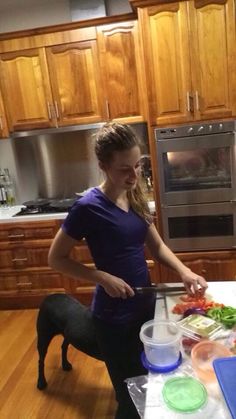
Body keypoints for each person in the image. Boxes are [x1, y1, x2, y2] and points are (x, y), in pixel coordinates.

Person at [48, 122, 208, 419]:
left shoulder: (134, 195)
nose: (134, 175)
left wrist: (184, 271)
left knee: (148, 382)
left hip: (145, 308)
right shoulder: (87, 207)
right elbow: (56, 259)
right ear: (103, 166)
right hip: (113, 317)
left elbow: (157, 247)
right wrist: (101, 277)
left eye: (138, 165)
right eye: (125, 169)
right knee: (128, 396)